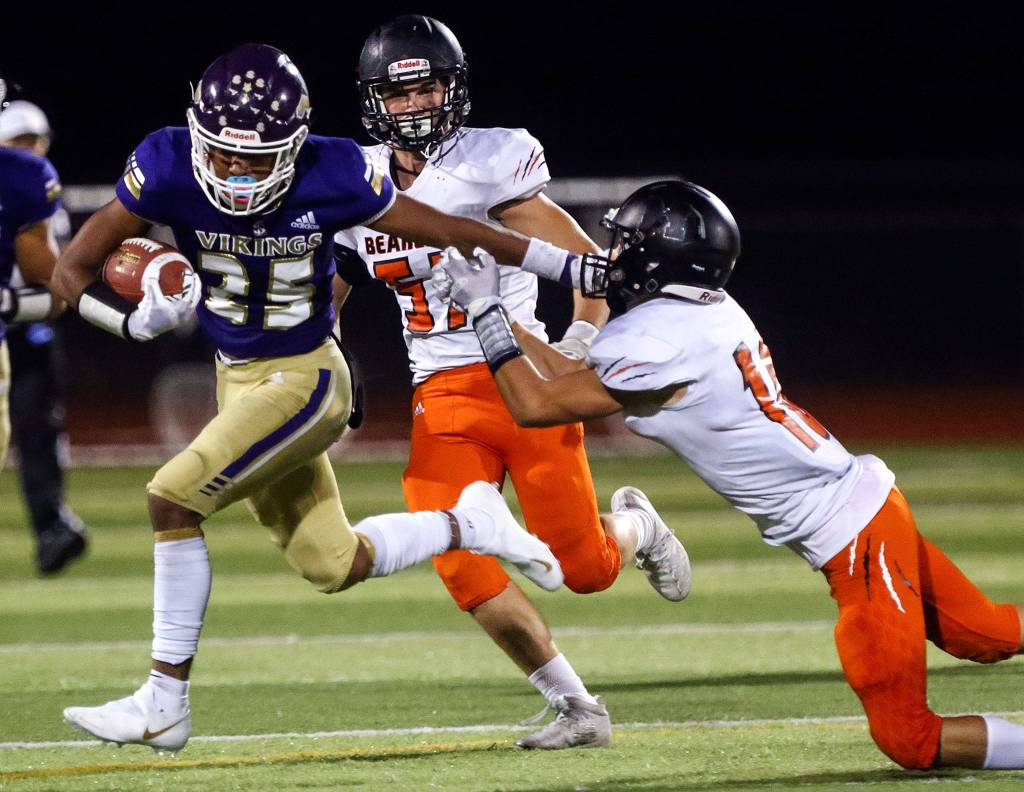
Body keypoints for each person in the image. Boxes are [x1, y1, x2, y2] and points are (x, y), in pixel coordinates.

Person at [50, 42, 593, 754]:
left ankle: (163, 704)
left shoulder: (332, 171)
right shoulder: (165, 162)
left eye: (256, 158)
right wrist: (129, 320)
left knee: (172, 498)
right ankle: (468, 524)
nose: (236, 172)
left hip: (306, 376)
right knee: (333, 565)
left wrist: (583, 269)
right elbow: (70, 272)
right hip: (235, 378)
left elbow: (456, 230)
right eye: (224, 154)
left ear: (294, 144)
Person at [433, 178, 1024, 771]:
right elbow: (569, 375)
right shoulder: (699, 309)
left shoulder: (657, 337)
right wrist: (508, 318)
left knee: (907, 736)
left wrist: (485, 311)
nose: (613, 254)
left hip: (855, 539)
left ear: (656, 258)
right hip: (865, 509)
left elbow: (537, 405)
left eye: (627, 243)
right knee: (988, 635)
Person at [333, 14, 691, 750]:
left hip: (520, 379)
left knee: (584, 570)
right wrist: (326, 362)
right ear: (374, 101)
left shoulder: (491, 162)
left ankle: (637, 527)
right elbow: (328, 290)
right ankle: (577, 707)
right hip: (439, 393)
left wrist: (577, 343)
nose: (415, 106)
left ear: (453, 89)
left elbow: (591, 267)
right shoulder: (354, 181)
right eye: (399, 94)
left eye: (428, 88)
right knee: (460, 565)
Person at [0, 98, 88, 575]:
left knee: (38, 430)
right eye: (21, 141)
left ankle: (50, 524)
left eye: (37, 141)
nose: (31, 150)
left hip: (25, 329)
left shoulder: (37, 189)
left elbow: (58, 288)